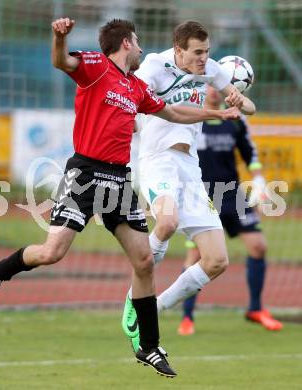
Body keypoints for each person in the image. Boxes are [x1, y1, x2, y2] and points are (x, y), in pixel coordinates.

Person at [0, 18, 240, 378]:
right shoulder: (96, 67)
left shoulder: (136, 88)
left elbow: (173, 112)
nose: (143, 47)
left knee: (144, 261)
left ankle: (149, 345)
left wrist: (216, 112)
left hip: (119, 179)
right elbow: (61, 62)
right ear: (126, 43)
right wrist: (58, 36)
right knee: (52, 253)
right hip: (83, 174)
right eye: (139, 41)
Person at [122, 20, 256, 351]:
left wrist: (238, 98)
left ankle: (154, 307)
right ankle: (135, 298)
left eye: (207, 51)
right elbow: (129, 96)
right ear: (179, 50)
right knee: (167, 222)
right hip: (158, 160)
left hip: (189, 167)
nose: (204, 58)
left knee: (216, 261)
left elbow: (250, 108)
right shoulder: (154, 64)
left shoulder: (210, 68)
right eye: (197, 52)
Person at [178, 86, 283, 336]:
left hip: (233, 194)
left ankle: (256, 309)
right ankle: (187, 318)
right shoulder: (193, 118)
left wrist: (258, 180)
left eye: (219, 85)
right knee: (196, 258)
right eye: (210, 84)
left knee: (258, 246)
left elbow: (250, 154)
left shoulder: (236, 120)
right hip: (201, 196)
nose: (214, 91)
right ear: (203, 88)